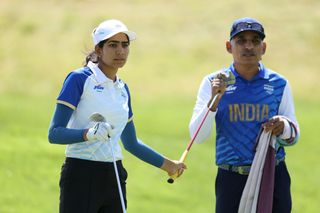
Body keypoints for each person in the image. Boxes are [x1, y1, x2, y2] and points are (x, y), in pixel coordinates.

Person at [48, 19, 186, 213]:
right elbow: (54, 133)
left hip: (114, 176)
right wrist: (88, 133)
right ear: (98, 49)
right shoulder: (79, 79)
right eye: (112, 45)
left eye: (125, 45)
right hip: (81, 174)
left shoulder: (122, 88)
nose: (120, 51)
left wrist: (168, 165)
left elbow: (131, 143)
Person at [189, 17, 299, 213]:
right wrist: (214, 101)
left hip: (273, 175)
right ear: (228, 46)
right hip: (231, 178)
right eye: (241, 40)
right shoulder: (212, 82)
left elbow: (294, 135)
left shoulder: (279, 83)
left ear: (263, 47)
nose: (248, 46)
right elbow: (197, 137)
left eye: (255, 41)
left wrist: (284, 127)